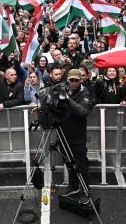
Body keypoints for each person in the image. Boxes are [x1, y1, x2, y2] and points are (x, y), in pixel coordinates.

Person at [49, 69, 93, 205]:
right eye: (71, 80)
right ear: (68, 79)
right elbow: (54, 105)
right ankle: (73, 186)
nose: (74, 83)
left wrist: (67, 99)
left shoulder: (85, 93)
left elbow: (82, 111)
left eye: (76, 80)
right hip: (63, 133)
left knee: (81, 164)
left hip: (77, 135)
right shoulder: (64, 88)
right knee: (68, 162)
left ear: (81, 80)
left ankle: (86, 191)